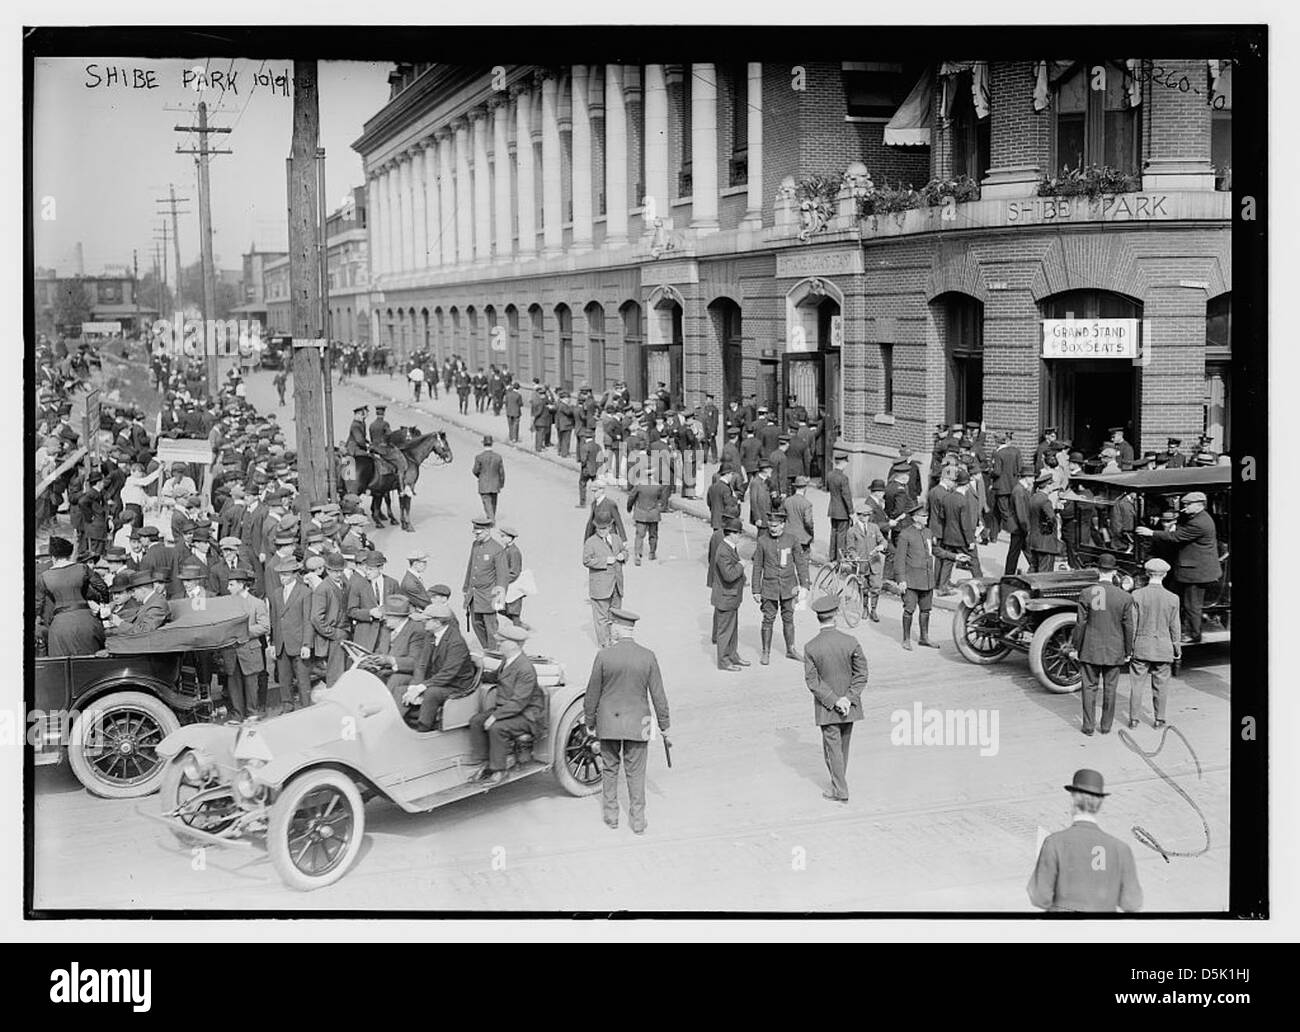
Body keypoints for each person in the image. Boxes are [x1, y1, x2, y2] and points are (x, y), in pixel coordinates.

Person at [584, 608, 670, 833]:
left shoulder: (604, 655)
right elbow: (658, 694)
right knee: (637, 771)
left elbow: (592, 692)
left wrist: (590, 720)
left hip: (608, 721)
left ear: (621, 628)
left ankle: (611, 815)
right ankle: (638, 820)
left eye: (612, 625)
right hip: (640, 722)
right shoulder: (648, 656)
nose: (610, 629)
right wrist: (665, 726)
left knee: (610, 769)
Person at [1027, 769, 1143, 913]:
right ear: (1100, 803)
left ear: (1073, 799)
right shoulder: (1121, 849)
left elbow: (1040, 897)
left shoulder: (1054, 842)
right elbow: (1132, 903)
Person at [804, 594, 868, 803]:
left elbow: (813, 682)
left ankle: (840, 790)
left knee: (832, 750)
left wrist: (834, 700)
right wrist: (848, 699)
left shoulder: (811, 647)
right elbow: (862, 674)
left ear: (818, 618)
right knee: (843, 747)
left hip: (828, 708)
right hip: (850, 707)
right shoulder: (850, 642)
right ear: (836, 615)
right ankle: (839, 784)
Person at [468, 623, 547, 785]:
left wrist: (495, 716)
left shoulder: (525, 668)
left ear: (514, 645)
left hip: (527, 715)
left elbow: (519, 702)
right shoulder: (508, 660)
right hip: (509, 710)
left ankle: (500, 770)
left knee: (498, 728)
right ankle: (487, 763)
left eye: (502, 641)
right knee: (476, 721)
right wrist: (476, 671)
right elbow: (496, 678)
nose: (498, 643)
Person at [1138, 490, 1221, 644]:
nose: (1185, 507)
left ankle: (1194, 635)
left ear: (1199, 505)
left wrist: (1151, 533)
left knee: (1192, 605)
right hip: (1192, 569)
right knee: (1185, 602)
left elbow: (1176, 537)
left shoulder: (1199, 522)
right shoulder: (1198, 517)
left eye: (1188, 505)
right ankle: (1185, 630)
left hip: (1196, 572)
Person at [1068, 554, 1136, 736]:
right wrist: (1128, 650)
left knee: (1088, 687)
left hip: (1090, 649)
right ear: (1114, 572)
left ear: (1098, 570)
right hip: (1114, 650)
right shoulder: (1124, 597)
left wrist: (1076, 646)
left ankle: (1088, 726)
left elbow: (1080, 624)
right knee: (1110, 688)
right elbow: (1128, 627)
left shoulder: (1086, 593)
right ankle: (1106, 726)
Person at [403, 601, 478, 731]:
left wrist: (422, 686)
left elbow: (448, 673)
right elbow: (422, 663)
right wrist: (414, 686)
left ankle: (423, 728)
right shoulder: (430, 635)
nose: (423, 622)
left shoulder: (456, 642)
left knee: (432, 693)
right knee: (404, 685)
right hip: (440, 679)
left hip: (456, 684)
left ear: (437, 623)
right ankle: (404, 723)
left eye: (426, 620)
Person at [1128, 557, 1182, 729]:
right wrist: (1176, 646)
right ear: (1165, 574)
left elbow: (1133, 624)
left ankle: (1134, 719)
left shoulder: (1136, 595)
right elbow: (1175, 626)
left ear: (1146, 573)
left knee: (1136, 684)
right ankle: (1159, 719)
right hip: (1163, 648)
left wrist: (1130, 647)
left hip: (1141, 646)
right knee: (1161, 685)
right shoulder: (1173, 598)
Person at [37, 535, 108, 656]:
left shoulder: (44, 577)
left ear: (52, 557)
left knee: (61, 667)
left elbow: (39, 604)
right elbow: (102, 587)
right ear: (70, 555)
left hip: (60, 625)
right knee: (93, 664)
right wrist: (98, 603)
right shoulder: (82, 568)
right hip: (86, 620)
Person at [751, 510, 801, 665]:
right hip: (769, 588)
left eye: (776, 526)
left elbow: (800, 563)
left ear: (783, 525)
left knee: (788, 618)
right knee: (768, 619)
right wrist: (756, 589)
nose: (772, 529)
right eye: (770, 526)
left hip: (788, 587)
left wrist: (804, 584)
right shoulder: (762, 541)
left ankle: (791, 649)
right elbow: (757, 566)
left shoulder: (792, 539)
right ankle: (766, 652)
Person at [221, 566, 270, 718]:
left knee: (251, 685)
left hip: (250, 650)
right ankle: (237, 714)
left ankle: (252, 714)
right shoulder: (226, 604)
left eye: (231, 584)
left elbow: (264, 626)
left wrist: (245, 632)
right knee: (234, 685)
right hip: (231, 652)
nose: (228, 588)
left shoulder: (257, 603)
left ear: (242, 585)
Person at [893, 500, 939, 651]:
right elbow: (899, 559)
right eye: (924, 516)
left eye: (927, 516)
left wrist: (955, 557)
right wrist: (901, 580)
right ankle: (906, 639)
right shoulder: (905, 535)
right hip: (911, 581)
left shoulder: (928, 532)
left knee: (926, 610)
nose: (927, 518)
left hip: (927, 580)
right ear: (915, 518)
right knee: (909, 610)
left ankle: (924, 637)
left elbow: (935, 551)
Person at [268, 556, 313, 709]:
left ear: (295, 574)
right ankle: (287, 706)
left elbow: (308, 620)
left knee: (302, 678)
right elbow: (274, 620)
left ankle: (306, 707)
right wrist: (273, 643)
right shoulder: (276, 593)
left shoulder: (305, 592)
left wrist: (307, 644)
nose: (283, 578)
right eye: (281, 574)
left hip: (299, 642)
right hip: (281, 643)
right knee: (284, 678)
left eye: (286, 574)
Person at [463, 517, 509, 649]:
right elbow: (471, 567)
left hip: (489, 595)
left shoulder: (497, 549)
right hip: (474, 593)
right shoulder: (475, 545)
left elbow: (503, 576)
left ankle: (495, 653)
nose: (476, 536)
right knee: (476, 623)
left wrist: (499, 599)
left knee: (491, 626)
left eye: (479, 533)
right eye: (474, 533)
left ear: (487, 531)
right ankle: (486, 648)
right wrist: (466, 588)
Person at [584, 510, 628, 647]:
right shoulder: (590, 542)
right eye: (599, 528)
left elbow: (625, 551)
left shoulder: (616, 538)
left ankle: (615, 642)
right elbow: (586, 561)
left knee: (616, 617)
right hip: (600, 587)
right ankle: (605, 645)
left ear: (610, 527)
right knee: (601, 618)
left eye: (604, 528)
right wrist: (605, 561)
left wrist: (623, 555)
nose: (602, 531)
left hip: (616, 585)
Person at [711, 516, 748, 671]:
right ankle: (724, 660)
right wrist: (741, 566)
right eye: (739, 534)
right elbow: (729, 575)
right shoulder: (724, 551)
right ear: (732, 533)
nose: (740, 536)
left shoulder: (729, 548)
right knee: (725, 631)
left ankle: (732, 655)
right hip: (725, 597)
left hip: (731, 596)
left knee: (732, 629)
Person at [347, 551, 400, 652]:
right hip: (365, 635)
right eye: (366, 568)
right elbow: (351, 611)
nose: (367, 572)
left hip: (387, 634)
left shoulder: (392, 584)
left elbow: (399, 609)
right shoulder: (358, 584)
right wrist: (370, 613)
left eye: (371, 569)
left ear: (380, 568)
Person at [311, 552, 351, 685]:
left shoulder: (344, 584)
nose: (338, 574)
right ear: (327, 570)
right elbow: (316, 618)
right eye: (334, 571)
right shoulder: (323, 589)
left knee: (345, 671)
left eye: (340, 571)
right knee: (335, 674)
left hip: (344, 633)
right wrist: (333, 633)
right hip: (333, 638)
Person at [845, 501, 888, 622]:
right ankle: (864, 608)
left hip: (874, 562)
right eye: (863, 515)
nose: (866, 518)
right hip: (861, 563)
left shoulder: (874, 527)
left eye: (868, 515)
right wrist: (855, 557)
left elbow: (883, 540)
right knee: (863, 587)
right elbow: (850, 548)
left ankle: (873, 610)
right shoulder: (852, 531)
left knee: (876, 587)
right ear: (858, 516)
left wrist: (881, 546)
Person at [105, 568, 172, 636]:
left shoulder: (157, 605)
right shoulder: (151, 601)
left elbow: (144, 631)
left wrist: (120, 623)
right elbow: (135, 620)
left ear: (143, 590)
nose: (132, 594)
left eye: (134, 591)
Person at [626, 469, 668, 565]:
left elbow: (632, 497)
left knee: (639, 535)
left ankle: (637, 554)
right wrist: (659, 507)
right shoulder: (658, 486)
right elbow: (662, 499)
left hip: (641, 513)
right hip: (653, 514)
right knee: (653, 534)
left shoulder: (639, 485)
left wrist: (629, 507)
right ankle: (652, 553)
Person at [782, 476, 815, 589]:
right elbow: (808, 522)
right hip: (803, 537)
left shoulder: (787, 501)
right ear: (805, 488)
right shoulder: (807, 503)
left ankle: (787, 583)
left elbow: (783, 517)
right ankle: (804, 583)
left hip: (789, 536)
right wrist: (811, 534)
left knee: (788, 561)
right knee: (803, 562)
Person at [1027, 470, 1061, 572]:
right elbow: (1052, 519)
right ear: (1048, 485)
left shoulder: (1033, 498)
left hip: (1034, 540)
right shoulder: (1046, 501)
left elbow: (1038, 515)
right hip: (1046, 542)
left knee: (1034, 568)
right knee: (1045, 572)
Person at [825, 452, 853, 561]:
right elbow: (847, 496)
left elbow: (828, 489)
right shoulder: (844, 478)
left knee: (833, 533)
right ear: (843, 462)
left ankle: (832, 557)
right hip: (843, 511)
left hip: (833, 509)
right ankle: (839, 559)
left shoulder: (830, 475)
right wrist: (851, 512)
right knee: (842, 536)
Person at [471, 436, 504, 520]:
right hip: (495, 484)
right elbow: (501, 472)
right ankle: (491, 518)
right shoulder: (498, 457)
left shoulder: (479, 457)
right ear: (492, 444)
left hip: (484, 484)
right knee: (493, 503)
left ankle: (491, 520)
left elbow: (475, 470)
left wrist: (480, 476)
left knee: (487, 503)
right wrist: (501, 483)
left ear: (484, 444)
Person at [499, 525, 526, 627]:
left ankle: (519, 629)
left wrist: (502, 580)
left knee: (513, 611)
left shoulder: (514, 551)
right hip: (507, 583)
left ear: (510, 538)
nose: (502, 539)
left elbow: (514, 572)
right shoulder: (507, 549)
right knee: (502, 609)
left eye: (503, 536)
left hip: (512, 585)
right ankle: (520, 626)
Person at [748, 460, 774, 531]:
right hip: (761, 517)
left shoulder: (768, 481)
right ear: (765, 470)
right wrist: (757, 518)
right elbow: (753, 501)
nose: (771, 470)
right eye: (770, 469)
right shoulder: (755, 482)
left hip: (767, 516)